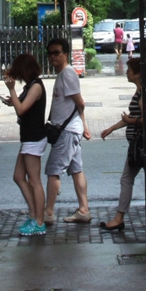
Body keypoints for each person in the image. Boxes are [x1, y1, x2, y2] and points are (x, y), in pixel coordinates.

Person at [98, 55, 146, 231]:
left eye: (129, 70)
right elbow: (132, 117)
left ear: (138, 73)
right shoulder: (141, 91)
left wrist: (130, 121)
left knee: (127, 179)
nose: (126, 73)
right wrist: (111, 128)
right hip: (141, 145)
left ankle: (119, 217)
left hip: (141, 145)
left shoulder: (144, 93)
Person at [42, 37, 92, 224]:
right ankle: (84, 210)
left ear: (66, 54)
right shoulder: (64, 74)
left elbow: (80, 103)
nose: (52, 56)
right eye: (50, 53)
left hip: (67, 132)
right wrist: (83, 127)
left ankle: (48, 213)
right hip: (71, 130)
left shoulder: (67, 74)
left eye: (57, 53)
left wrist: (83, 126)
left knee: (54, 170)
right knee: (76, 170)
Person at [2, 53, 48, 236]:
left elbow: (21, 110)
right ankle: (34, 214)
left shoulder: (36, 86)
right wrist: (12, 100)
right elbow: (22, 106)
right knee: (18, 176)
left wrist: (12, 90)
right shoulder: (31, 85)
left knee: (34, 181)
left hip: (34, 138)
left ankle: (39, 221)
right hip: (29, 137)